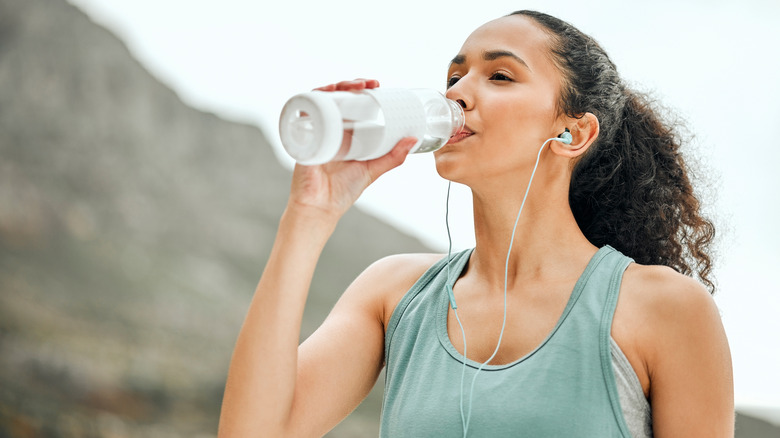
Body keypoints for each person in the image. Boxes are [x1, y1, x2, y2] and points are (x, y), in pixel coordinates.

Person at [218, 10, 734, 437]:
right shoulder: (393, 295)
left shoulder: (665, 309)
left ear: (573, 133)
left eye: (500, 75)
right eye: (453, 77)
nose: (457, 94)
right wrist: (309, 215)